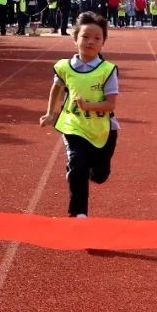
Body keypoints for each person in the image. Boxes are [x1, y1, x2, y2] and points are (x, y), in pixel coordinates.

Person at [38, 12, 120, 218]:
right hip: (73, 125)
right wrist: (50, 114)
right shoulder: (64, 67)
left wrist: (88, 105)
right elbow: (56, 88)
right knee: (77, 166)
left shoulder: (107, 70)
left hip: (104, 130)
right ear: (75, 39)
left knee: (100, 175)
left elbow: (110, 104)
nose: (90, 42)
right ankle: (78, 214)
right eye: (85, 37)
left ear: (103, 42)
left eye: (97, 38)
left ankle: (90, 171)